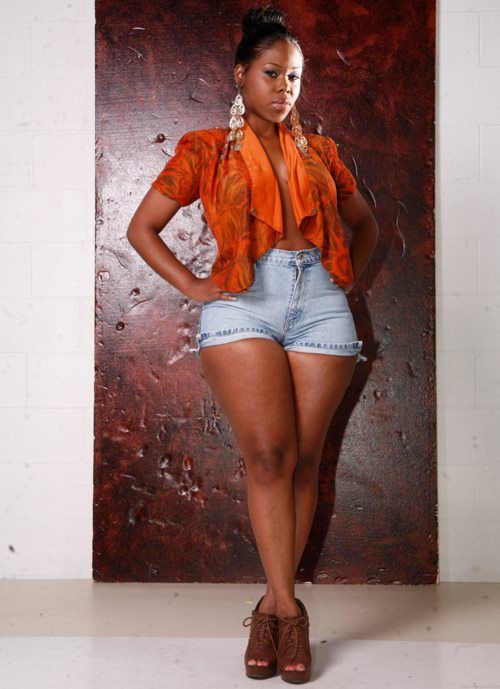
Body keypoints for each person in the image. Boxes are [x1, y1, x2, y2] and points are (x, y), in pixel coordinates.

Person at [127, 4, 378, 683]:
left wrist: (340, 279)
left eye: (294, 76)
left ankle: (271, 606)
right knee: (269, 455)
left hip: (320, 305)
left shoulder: (321, 152)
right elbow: (142, 228)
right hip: (243, 302)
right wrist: (194, 284)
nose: (284, 87)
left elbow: (366, 225)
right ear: (241, 74)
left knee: (305, 462)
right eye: (271, 73)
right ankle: (290, 613)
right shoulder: (205, 149)